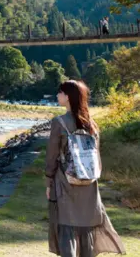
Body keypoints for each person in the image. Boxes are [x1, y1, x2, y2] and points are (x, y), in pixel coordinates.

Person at [45, 80, 125, 257]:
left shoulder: (59, 122)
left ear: (67, 96)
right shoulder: (91, 123)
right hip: (89, 179)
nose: (57, 95)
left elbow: (51, 156)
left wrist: (49, 181)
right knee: (85, 224)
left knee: (66, 223)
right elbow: (96, 154)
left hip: (65, 179)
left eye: (60, 92)